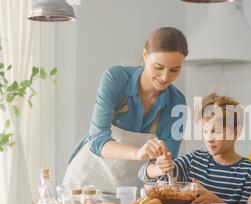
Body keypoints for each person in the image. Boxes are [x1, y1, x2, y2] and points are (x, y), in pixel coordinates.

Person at [63, 27, 188, 193]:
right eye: (159, 67)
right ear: (145, 55)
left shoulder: (178, 104)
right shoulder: (116, 79)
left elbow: (165, 163)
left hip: (130, 192)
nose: (166, 77)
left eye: (174, 70)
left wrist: (163, 165)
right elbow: (97, 139)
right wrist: (137, 153)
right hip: (85, 184)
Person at [138, 93, 251, 204]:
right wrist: (159, 169)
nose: (209, 138)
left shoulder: (249, 172)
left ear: (235, 132)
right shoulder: (195, 161)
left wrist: (217, 203)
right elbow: (143, 174)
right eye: (205, 131)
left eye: (216, 131)